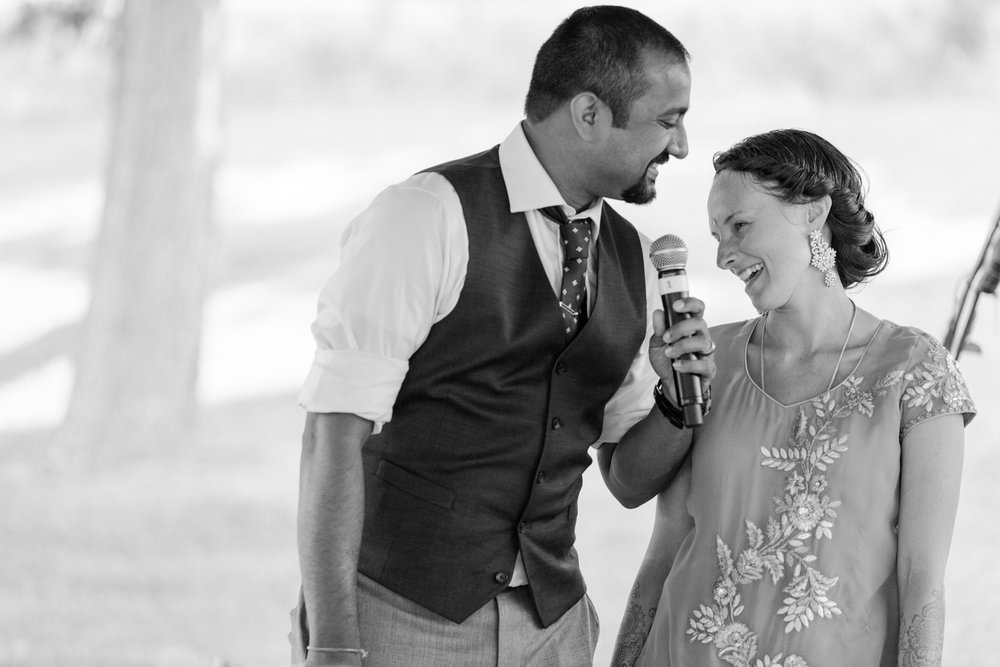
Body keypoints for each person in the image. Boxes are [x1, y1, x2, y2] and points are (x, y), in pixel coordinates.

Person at [290, 6, 718, 666]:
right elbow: (330, 438)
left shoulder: (630, 257)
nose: (682, 146)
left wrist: (672, 396)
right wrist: (335, 643)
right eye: (669, 119)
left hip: (553, 626)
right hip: (400, 613)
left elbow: (630, 477)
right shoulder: (425, 215)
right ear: (589, 114)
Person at [611, 128, 976, 667]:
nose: (723, 255)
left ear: (812, 213)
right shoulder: (710, 358)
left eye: (739, 226)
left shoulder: (915, 373)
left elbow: (922, 581)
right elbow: (664, 552)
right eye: (715, 234)